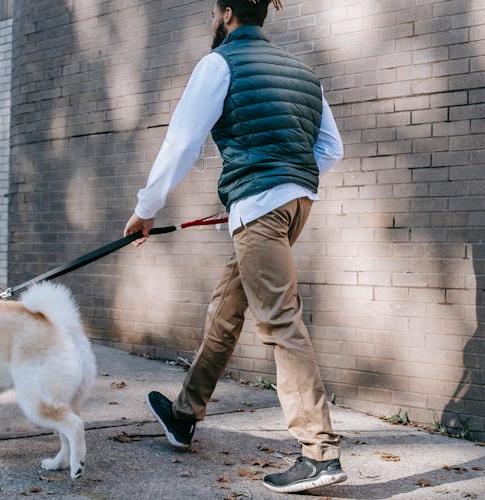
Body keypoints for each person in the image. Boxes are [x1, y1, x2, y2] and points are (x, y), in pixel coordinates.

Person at [123, 0, 346, 494]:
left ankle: (319, 452)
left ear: (225, 13)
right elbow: (331, 148)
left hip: (263, 208)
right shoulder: (302, 72)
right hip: (291, 205)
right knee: (227, 308)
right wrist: (284, 186)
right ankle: (185, 414)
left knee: (280, 321)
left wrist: (146, 208)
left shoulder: (219, 62)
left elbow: (181, 143)